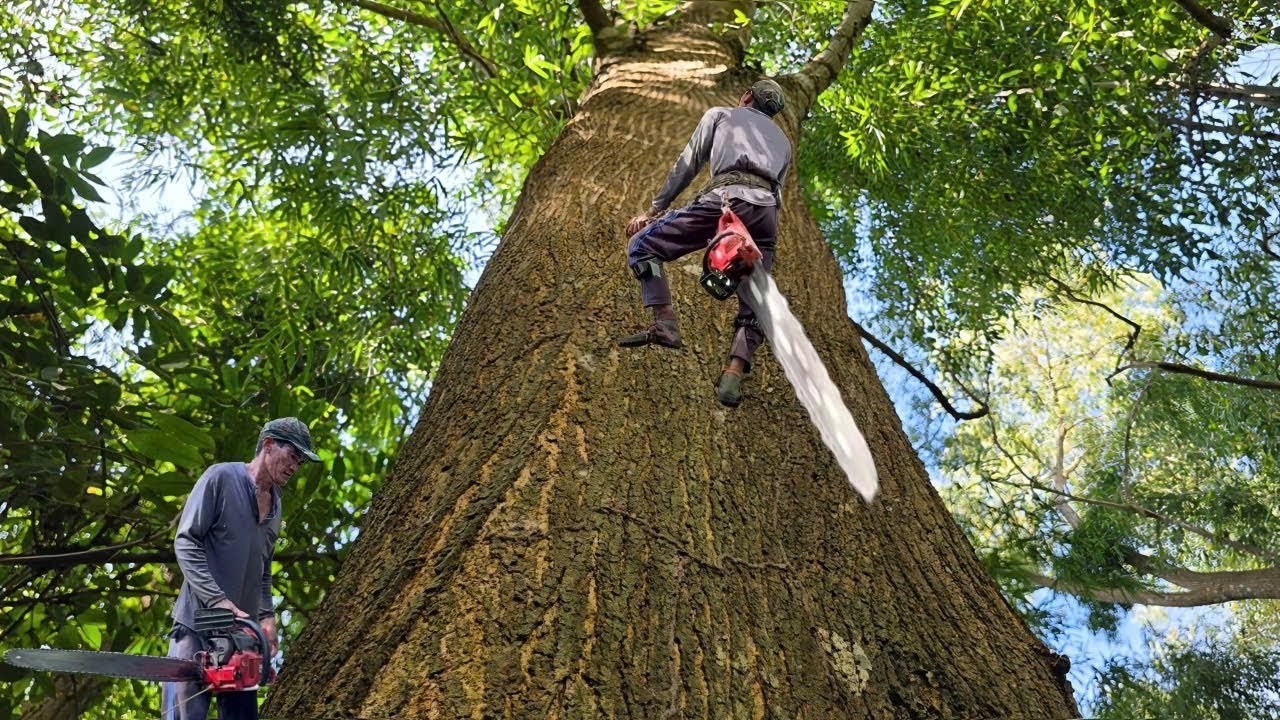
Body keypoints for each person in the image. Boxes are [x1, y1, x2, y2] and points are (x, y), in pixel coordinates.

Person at [618, 78, 792, 408]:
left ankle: (665, 323)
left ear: (745, 96)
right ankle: (735, 369)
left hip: (726, 198)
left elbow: (689, 161)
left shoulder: (722, 114)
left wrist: (654, 210)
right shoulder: (784, 143)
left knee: (642, 245)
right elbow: (777, 192)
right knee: (756, 295)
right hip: (767, 215)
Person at [161, 417, 320, 720]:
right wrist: (219, 601)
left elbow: (263, 568)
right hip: (197, 627)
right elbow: (186, 542)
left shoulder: (275, 507)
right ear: (269, 445)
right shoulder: (220, 477)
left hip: (241, 639)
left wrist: (267, 617)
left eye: (300, 463)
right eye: (292, 457)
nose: (294, 467)